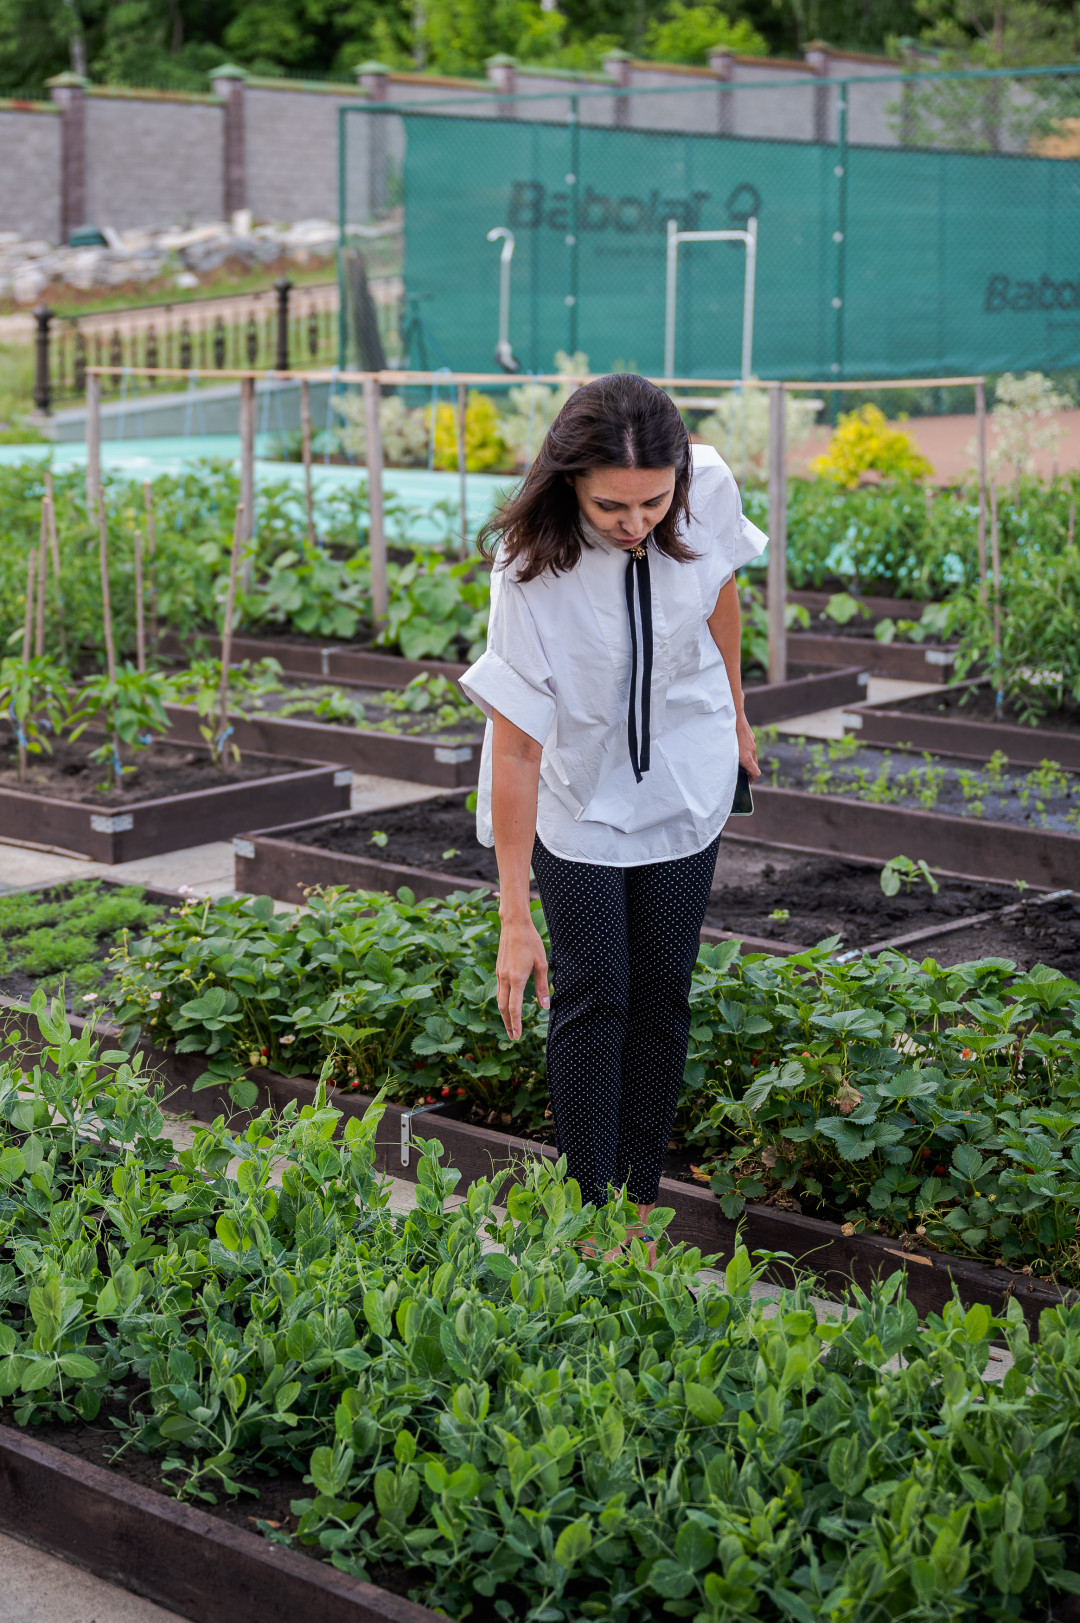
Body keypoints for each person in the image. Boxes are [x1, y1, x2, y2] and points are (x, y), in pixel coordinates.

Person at [460, 372, 765, 1254]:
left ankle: (637, 1203)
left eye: (651, 502)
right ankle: (588, 1216)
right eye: (610, 506)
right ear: (568, 484)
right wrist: (515, 916)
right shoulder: (529, 572)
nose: (635, 522)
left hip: (681, 770)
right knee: (595, 993)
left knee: (664, 989)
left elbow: (720, 590)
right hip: (577, 787)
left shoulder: (704, 485)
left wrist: (738, 712)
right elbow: (516, 749)